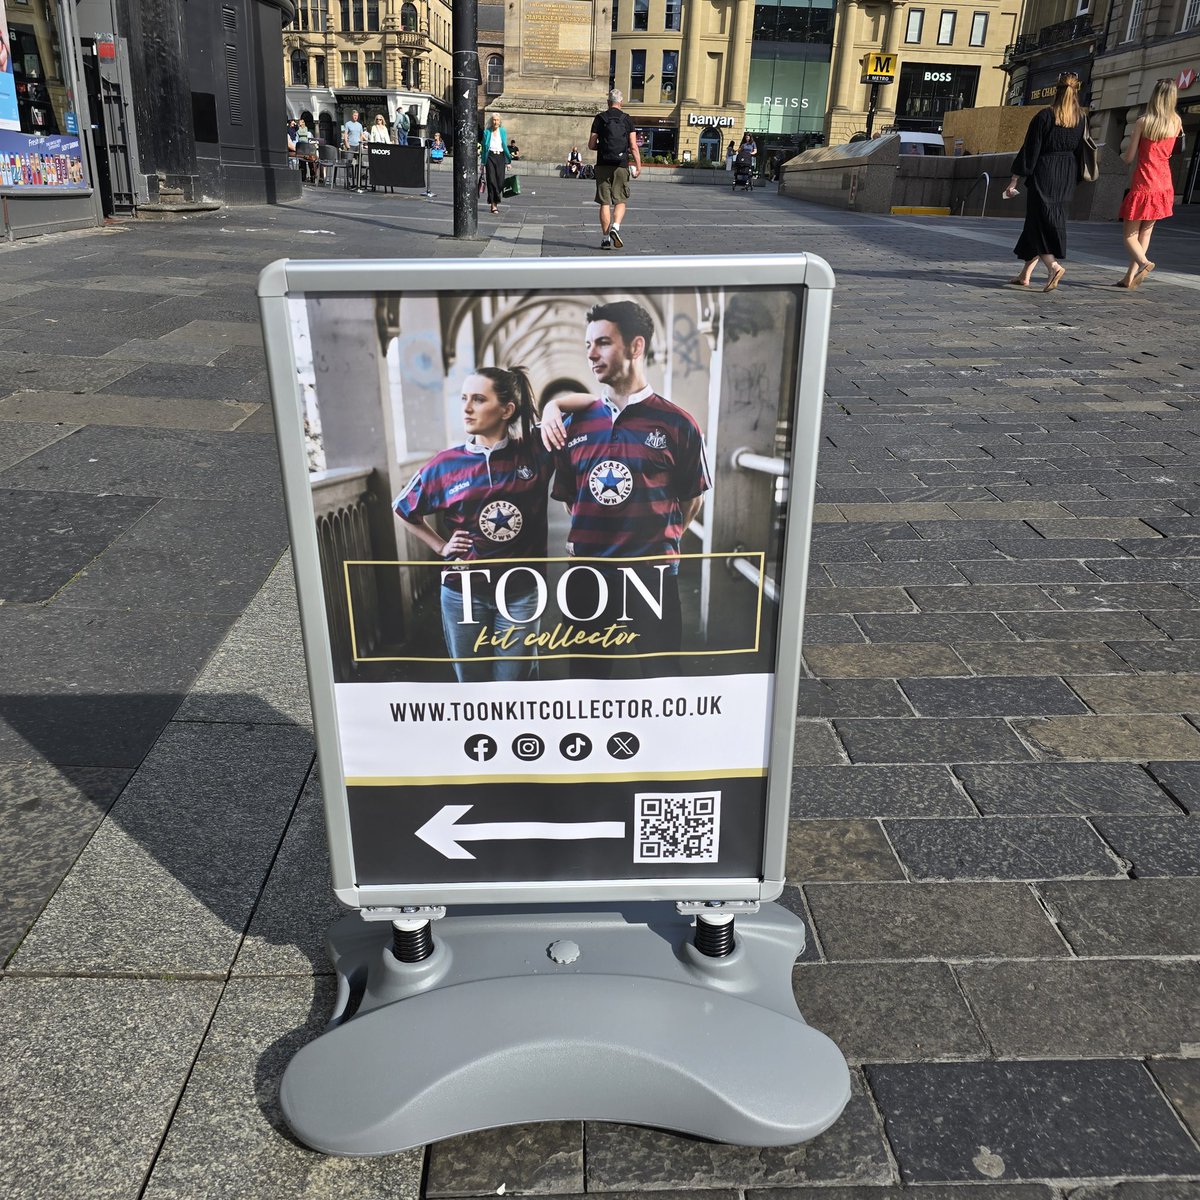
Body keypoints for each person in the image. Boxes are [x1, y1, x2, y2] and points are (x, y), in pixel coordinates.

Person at [546, 300, 711, 678]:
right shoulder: (575, 424)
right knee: (586, 678)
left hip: (651, 576)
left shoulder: (678, 424)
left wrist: (662, 539)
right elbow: (574, 499)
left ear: (636, 347)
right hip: (587, 575)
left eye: (602, 343)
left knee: (662, 675)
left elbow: (692, 498)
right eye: (587, 345)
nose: (591, 355)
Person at [393, 367, 553, 683]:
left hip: (520, 592)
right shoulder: (446, 463)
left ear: (507, 410)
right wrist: (441, 546)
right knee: (472, 685)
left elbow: (588, 408)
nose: (466, 408)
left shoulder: (534, 451)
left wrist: (553, 407)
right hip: (462, 593)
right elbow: (402, 508)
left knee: (514, 686)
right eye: (464, 398)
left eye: (478, 399)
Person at [1003, 71, 1087, 292]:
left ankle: (1053, 266)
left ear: (1056, 92)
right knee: (1044, 223)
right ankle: (1025, 275)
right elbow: (1081, 152)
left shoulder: (1045, 116)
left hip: (1045, 173)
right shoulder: (1080, 119)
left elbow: (1030, 151)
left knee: (1038, 223)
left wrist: (1014, 180)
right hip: (1066, 175)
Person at [1115, 78, 1183, 289]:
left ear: (1154, 96)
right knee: (1145, 233)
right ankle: (1130, 278)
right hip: (1164, 183)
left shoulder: (1144, 122)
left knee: (1129, 235)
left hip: (1144, 182)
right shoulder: (1176, 121)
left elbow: (1129, 157)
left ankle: (1145, 263)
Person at [590, 89, 641, 250]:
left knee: (604, 202)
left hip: (603, 164)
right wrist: (638, 166)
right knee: (620, 200)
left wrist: (603, 148)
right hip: (621, 165)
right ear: (621, 102)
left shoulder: (600, 118)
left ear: (608, 102)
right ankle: (616, 227)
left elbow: (591, 145)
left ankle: (605, 239)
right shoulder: (627, 119)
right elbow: (633, 146)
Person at [480, 112, 511, 215]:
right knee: (492, 181)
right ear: (491, 121)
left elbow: (505, 146)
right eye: (494, 120)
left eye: (497, 120)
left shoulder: (502, 131)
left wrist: (508, 161)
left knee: (500, 182)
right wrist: (482, 163)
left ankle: (496, 199)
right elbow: (484, 148)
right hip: (490, 157)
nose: (495, 122)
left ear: (500, 121)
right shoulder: (486, 132)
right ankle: (493, 205)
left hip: (500, 157)